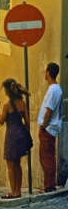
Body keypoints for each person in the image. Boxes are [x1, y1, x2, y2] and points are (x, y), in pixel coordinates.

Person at [0, 78, 30, 199]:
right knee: (18, 164)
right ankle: (18, 190)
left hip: (11, 136)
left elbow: (0, 121)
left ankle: (13, 191)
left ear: (8, 90)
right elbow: (27, 121)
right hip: (20, 135)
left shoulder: (7, 105)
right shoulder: (22, 103)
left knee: (10, 164)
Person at [37, 62, 63, 193]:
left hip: (48, 129)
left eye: (45, 70)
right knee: (47, 157)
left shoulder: (53, 90)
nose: (43, 72)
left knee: (46, 158)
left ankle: (48, 186)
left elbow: (49, 111)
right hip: (49, 128)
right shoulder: (54, 89)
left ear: (48, 73)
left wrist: (43, 126)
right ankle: (50, 184)